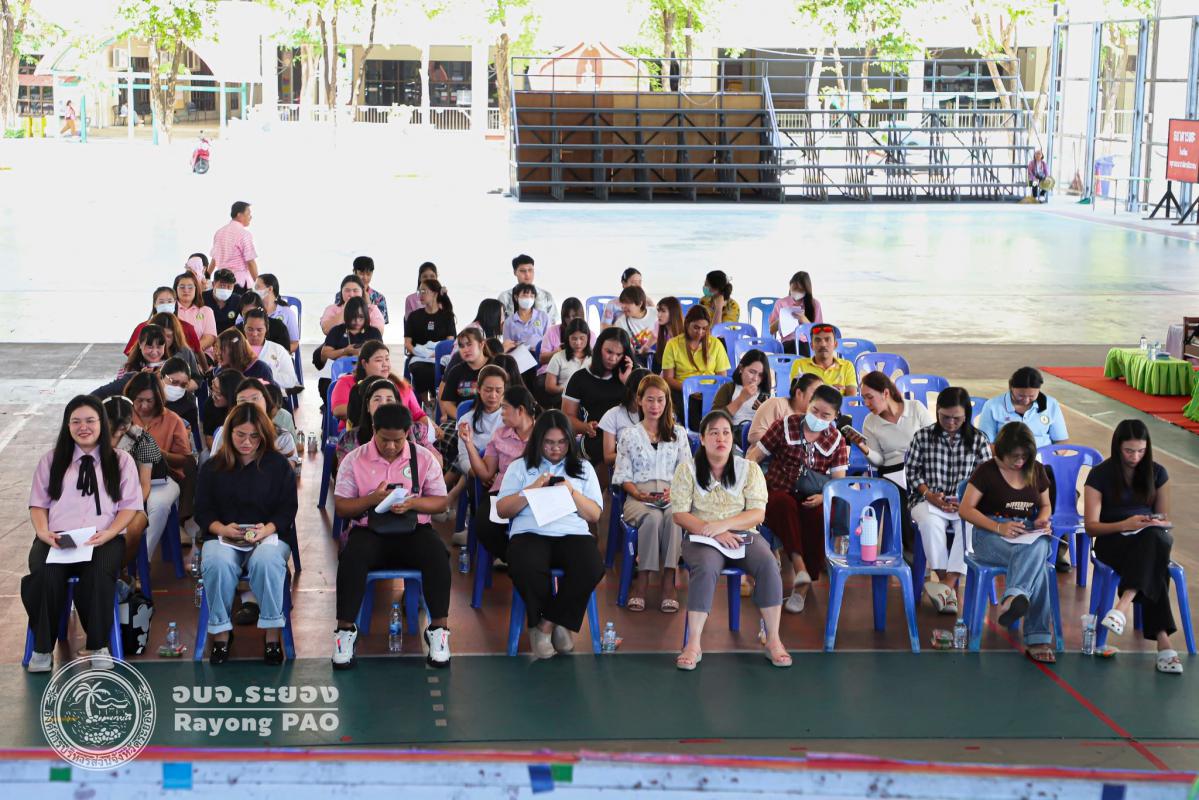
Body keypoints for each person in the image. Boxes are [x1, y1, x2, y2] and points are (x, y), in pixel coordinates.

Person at [22, 396, 142, 672]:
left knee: (99, 574)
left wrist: (110, 532)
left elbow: (130, 506)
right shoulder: (51, 460)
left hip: (102, 538)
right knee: (43, 574)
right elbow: (38, 504)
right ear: (67, 426)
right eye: (75, 421)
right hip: (57, 537)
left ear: (102, 423)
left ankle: (98, 644)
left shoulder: (121, 461)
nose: (83, 427)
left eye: (90, 420)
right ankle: (42, 648)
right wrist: (43, 532)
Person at [332, 404, 452, 669]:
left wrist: (412, 503)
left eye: (397, 440)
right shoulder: (354, 460)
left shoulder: (424, 458)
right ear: (374, 430)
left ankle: (438, 630)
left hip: (414, 530)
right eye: (384, 439)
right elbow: (341, 507)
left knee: (437, 553)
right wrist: (371, 499)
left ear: (407, 432)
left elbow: (441, 502)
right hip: (369, 531)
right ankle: (344, 632)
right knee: (351, 557)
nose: (390, 446)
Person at [671, 410, 789, 669]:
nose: (721, 438)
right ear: (702, 439)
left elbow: (757, 513)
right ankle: (693, 643)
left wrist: (723, 526)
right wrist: (712, 531)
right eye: (713, 433)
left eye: (726, 432)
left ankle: (773, 640)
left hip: (743, 535)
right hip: (701, 537)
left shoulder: (749, 469)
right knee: (706, 567)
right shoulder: (687, 470)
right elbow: (679, 514)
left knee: (768, 563)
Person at [496, 410, 605, 659]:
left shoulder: (583, 468)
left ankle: (547, 625)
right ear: (538, 441)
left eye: (562, 442)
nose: (556, 448)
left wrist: (572, 492)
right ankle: (553, 622)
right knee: (526, 565)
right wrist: (531, 489)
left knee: (591, 566)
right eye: (549, 442)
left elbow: (594, 515)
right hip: (531, 531)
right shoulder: (520, 467)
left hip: (572, 532)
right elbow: (502, 510)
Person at [195, 403, 297, 665]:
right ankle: (221, 633)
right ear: (229, 433)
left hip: (268, 534)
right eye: (240, 435)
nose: (247, 442)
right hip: (223, 535)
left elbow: (287, 510)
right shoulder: (212, 467)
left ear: (263, 436)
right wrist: (222, 529)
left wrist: (267, 529)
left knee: (267, 562)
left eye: (254, 436)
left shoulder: (278, 465)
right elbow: (202, 511)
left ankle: (272, 633)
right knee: (216, 563)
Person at [1083, 419, 1182, 674]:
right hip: (1113, 540)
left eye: (1141, 451)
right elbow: (1091, 527)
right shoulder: (1100, 475)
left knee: (1155, 539)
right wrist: (1125, 524)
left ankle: (1123, 605)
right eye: (1129, 451)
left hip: (1148, 539)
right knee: (1156, 560)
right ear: (1117, 447)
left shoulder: (1158, 473)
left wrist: (1152, 522)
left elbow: (1165, 520)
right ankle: (1163, 643)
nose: (1135, 457)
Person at [958, 422, 1056, 664]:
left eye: (1025, 456)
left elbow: (1045, 505)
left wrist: (1042, 520)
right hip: (989, 535)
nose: (1020, 461)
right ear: (1001, 451)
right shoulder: (987, 471)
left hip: (1026, 531)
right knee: (1038, 565)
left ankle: (1013, 597)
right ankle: (1038, 639)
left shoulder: (1036, 470)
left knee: (1040, 546)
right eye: (1014, 456)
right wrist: (998, 527)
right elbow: (965, 509)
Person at [749, 384, 848, 613]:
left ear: (835, 416)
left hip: (813, 496)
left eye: (825, 415)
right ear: (808, 405)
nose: (818, 418)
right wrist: (750, 483)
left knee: (818, 515)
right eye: (814, 411)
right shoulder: (785, 425)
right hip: (779, 489)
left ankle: (801, 587)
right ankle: (799, 568)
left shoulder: (836, 440)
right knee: (782, 505)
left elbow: (838, 483)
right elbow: (755, 456)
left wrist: (823, 497)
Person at [905, 387, 992, 616]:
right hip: (928, 499)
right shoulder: (922, 437)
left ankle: (946, 586)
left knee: (971, 526)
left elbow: (987, 480)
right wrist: (929, 495)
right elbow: (912, 472)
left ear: (967, 416)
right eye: (945, 417)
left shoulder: (979, 440)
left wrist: (966, 501)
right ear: (937, 412)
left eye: (957, 418)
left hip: (966, 503)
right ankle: (946, 583)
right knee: (929, 524)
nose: (951, 423)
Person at [613, 375, 690, 612]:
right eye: (649, 400)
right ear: (639, 401)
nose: (655, 406)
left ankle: (669, 581)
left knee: (674, 518)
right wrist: (638, 494)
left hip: (671, 495)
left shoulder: (678, 434)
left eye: (660, 400)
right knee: (652, 518)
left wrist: (674, 492)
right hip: (639, 496)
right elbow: (622, 476)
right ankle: (642, 581)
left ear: (667, 402)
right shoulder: (629, 435)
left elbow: (686, 473)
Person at [978, 366, 1069, 568]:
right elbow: (986, 444)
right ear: (1010, 387)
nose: (1026, 400)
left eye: (1031, 396)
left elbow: (1061, 443)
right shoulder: (993, 406)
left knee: (1062, 492)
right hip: (1008, 465)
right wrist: (1010, 459)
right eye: (1020, 396)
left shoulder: (1050, 405)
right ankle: (1013, 539)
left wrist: (1046, 458)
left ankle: (1057, 550)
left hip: (1041, 466)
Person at [843, 371, 933, 548]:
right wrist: (864, 448)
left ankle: (926, 546)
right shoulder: (870, 422)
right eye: (864, 398)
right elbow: (878, 461)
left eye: (870, 397)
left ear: (885, 393)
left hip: (919, 466)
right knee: (899, 496)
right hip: (892, 472)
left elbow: (933, 441)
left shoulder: (915, 408)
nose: (866, 403)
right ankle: (910, 549)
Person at [463, 386, 539, 562]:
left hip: (535, 492)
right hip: (503, 492)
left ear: (520, 410)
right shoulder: (499, 435)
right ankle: (514, 559)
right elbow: (486, 474)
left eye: (504, 407)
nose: (501, 412)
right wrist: (468, 443)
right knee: (484, 525)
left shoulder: (543, 434)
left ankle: (528, 560)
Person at [103, 395, 176, 571]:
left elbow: (145, 485)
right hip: (117, 490)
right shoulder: (95, 437)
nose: (117, 433)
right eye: (112, 427)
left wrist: (126, 509)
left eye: (123, 427)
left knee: (151, 511)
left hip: (154, 483)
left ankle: (134, 565)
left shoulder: (141, 440)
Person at [563, 327, 637, 463]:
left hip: (629, 433)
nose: (613, 358)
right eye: (609, 352)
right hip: (596, 436)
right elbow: (567, 417)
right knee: (604, 451)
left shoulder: (633, 374)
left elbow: (646, 408)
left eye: (619, 354)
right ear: (598, 348)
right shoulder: (580, 378)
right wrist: (585, 427)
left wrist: (628, 382)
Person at [331, 340, 427, 435]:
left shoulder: (400, 385)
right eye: (379, 360)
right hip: (357, 434)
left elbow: (419, 415)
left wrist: (432, 428)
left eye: (387, 359)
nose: (385, 364)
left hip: (398, 436)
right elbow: (338, 411)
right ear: (364, 363)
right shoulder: (347, 382)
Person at [661, 305, 731, 429]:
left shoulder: (716, 344)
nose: (700, 332)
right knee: (693, 421)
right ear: (687, 324)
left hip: (711, 394)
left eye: (704, 329)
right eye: (696, 327)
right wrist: (690, 389)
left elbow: (722, 378)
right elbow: (668, 378)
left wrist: (707, 391)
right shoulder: (673, 344)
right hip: (683, 392)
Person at [209, 378, 301, 470]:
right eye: (242, 400)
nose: (249, 404)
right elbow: (214, 470)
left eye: (255, 398)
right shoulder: (224, 433)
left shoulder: (283, 437)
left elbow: (286, 473)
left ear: (266, 401)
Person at [439, 328, 523, 421]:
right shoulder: (455, 371)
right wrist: (464, 419)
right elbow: (447, 402)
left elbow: (512, 397)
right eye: (462, 346)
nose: (465, 350)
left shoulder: (497, 366)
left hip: (496, 420)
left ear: (481, 344)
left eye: (469, 344)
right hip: (462, 421)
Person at [404, 278, 456, 402]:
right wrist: (422, 353)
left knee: (436, 370)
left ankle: (434, 399)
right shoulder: (414, 316)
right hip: (418, 355)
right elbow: (407, 343)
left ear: (435, 293)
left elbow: (450, 342)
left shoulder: (447, 316)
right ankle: (426, 403)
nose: (420, 295)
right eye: (419, 291)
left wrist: (435, 354)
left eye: (424, 291)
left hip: (439, 356)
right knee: (418, 369)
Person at [747, 373, 824, 447]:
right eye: (816, 394)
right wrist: (786, 446)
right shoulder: (776, 404)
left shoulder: (814, 419)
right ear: (799, 393)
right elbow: (754, 436)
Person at [712, 349, 773, 443]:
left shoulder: (765, 394)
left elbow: (772, 426)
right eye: (752, 372)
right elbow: (714, 420)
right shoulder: (729, 388)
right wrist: (741, 399)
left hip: (757, 435)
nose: (755, 378)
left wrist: (763, 412)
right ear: (741, 368)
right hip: (732, 434)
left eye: (760, 375)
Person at [123, 287, 203, 355]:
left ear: (175, 303)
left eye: (169, 301)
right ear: (155, 304)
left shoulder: (187, 327)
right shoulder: (142, 327)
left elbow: (198, 352)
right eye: (161, 302)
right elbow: (130, 353)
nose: (165, 305)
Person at [600, 368, 650, 466]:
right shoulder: (613, 415)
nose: (644, 401)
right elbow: (608, 457)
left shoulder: (656, 412)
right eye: (640, 396)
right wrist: (635, 455)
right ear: (630, 392)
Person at [789, 324, 857, 396]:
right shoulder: (799, 364)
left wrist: (814, 390)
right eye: (818, 340)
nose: (823, 344)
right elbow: (796, 396)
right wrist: (830, 390)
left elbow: (852, 399)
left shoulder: (847, 366)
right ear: (812, 346)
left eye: (827, 339)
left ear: (835, 344)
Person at [317, 297, 381, 373]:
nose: (357, 321)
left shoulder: (374, 332)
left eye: (361, 317)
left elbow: (380, 356)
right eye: (353, 317)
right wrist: (345, 351)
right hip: (339, 372)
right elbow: (324, 356)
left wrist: (361, 354)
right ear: (347, 316)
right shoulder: (336, 330)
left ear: (366, 316)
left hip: (367, 373)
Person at [769, 271, 824, 355]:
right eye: (794, 288)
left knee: (803, 347)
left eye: (800, 290)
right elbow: (771, 330)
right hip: (788, 342)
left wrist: (804, 320)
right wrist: (782, 319)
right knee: (793, 347)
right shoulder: (780, 303)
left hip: (808, 343)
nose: (797, 292)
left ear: (806, 290)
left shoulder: (815, 304)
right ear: (790, 286)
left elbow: (819, 333)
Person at [243, 308, 298, 390]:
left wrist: (266, 374)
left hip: (272, 395)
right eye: (250, 329)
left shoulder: (278, 350)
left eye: (259, 330)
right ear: (244, 328)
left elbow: (291, 380)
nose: (254, 334)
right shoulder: (235, 349)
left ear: (266, 329)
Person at [543, 318, 592, 409]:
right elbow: (549, 387)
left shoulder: (594, 358)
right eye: (574, 339)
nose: (578, 343)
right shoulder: (558, 357)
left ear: (588, 337)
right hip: (565, 399)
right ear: (567, 338)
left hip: (590, 399)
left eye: (582, 338)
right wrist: (569, 388)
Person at [209, 201, 259, 289]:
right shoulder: (243, 234)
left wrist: (207, 276)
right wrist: (258, 284)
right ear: (239, 215)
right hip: (238, 283)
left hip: (220, 283)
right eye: (248, 214)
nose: (250, 217)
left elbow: (214, 259)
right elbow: (250, 262)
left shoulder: (219, 232)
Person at [502, 283, 550, 372]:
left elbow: (548, 341)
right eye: (525, 295)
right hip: (519, 360)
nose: (528, 299)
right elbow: (507, 346)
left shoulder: (543, 316)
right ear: (516, 297)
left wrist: (537, 349)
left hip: (539, 358)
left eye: (532, 296)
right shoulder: (509, 322)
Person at [498, 254, 559, 323]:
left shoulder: (546, 296)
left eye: (530, 270)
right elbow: (499, 322)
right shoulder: (504, 297)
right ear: (515, 272)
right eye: (522, 271)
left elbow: (552, 322)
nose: (527, 274)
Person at [321, 275, 386, 335]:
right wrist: (345, 310)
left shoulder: (372, 309)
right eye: (347, 291)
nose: (351, 295)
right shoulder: (331, 309)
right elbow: (326, 330)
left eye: (355, 291)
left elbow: (379, 332)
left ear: (362, 292)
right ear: (341, 292)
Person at [253, 274, 300, 354]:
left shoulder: (287, 313)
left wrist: (279, 354)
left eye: (257, 287)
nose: (254, 290)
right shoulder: (250, 310)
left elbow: (294, 343)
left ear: (270, 289)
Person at [173, 271, 218, 354]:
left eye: (190, 287)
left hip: (202, 355)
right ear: (175, 289)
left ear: (196, 289)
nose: (186, 290)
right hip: (174, 355)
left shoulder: (206, 311)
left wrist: (190, 352)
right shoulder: (170, 311)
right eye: (182, 287)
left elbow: (209, 338)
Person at [538, 297, 589, 370]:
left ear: (581, 315)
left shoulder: (590, 334)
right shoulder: (552, 331)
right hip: (552, 370)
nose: (571, 320)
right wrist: (557, 353)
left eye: (574, 316)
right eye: (567, 317)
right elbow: (542, 359)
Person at [202, 369, 244, 450]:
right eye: (212, 390)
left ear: (232, 395)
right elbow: (209, 437)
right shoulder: (210, 403)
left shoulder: (243, 410)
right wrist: (219, 454)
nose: (213, 396)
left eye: (218, 393)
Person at [343, 255, 390, 325]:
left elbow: (381, 324)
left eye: (368, 274)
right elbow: (339, 321)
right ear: (354, 272)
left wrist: (369, 305)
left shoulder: (379, 298)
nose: (365, 278)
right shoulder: (343, 295)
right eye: (361, 274)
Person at [613, 285, 657, 358]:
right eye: (622, 303)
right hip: (638, 360)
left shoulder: (656, 314)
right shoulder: (620, 323)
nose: (623, 307)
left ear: (640, 303)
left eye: (627, 303)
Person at [204, 269, 244, 333]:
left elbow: (247, 319)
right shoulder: (202, 298)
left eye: (229, 286)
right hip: (206, 335)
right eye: (222, 286)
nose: (225, 289)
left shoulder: (237, 300)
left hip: (228, 336)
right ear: (213, 284)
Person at [652, 296, 685, 374]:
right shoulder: (662, 331)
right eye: (658, 311)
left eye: (663, 311)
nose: (659, 315)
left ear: (673, 313)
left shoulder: (685, 334)